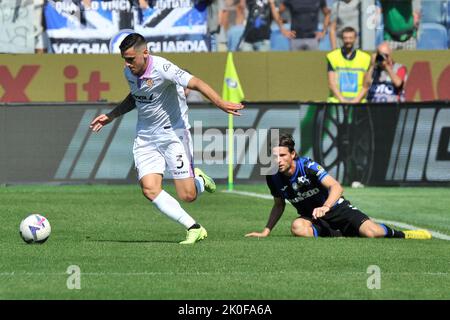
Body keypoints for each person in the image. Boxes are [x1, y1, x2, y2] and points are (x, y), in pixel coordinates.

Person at [90, 33, 244, 244]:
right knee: (149, 189)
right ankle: (194, 227)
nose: (127, 64)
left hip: (173, 135)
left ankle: (198, 179)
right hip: (145, 137)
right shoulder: (129, 72)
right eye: (124, 59)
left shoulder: (162, 68)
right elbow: (135, 98)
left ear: (145, 53)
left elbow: (196, 82)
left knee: (187, 196)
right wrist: (111, 116)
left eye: (130, 59)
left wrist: (219, 102)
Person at [245, 133, 432, 240]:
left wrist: (326, 206)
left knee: (372, 233)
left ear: (292, 154)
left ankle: (403, 234)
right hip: (313, 218)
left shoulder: (308, 166)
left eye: (282, 155)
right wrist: (265, 231)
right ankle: (335, 233)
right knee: (298, 227)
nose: (278, 160)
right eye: (274, 156)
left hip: (336, 209)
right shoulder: (272, 177)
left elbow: (336, 186)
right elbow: (279, 204)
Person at [326, 26, 370, 103]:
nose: (348, 40)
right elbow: (331, 83)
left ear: (355, 38)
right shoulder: (333, 57)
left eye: (350, 38)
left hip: (358, 103)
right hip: (337, 103)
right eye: (345, 38)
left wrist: (356, 101)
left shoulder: (365, 58)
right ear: (342, 39)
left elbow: (366, 85)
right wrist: (343, 101)